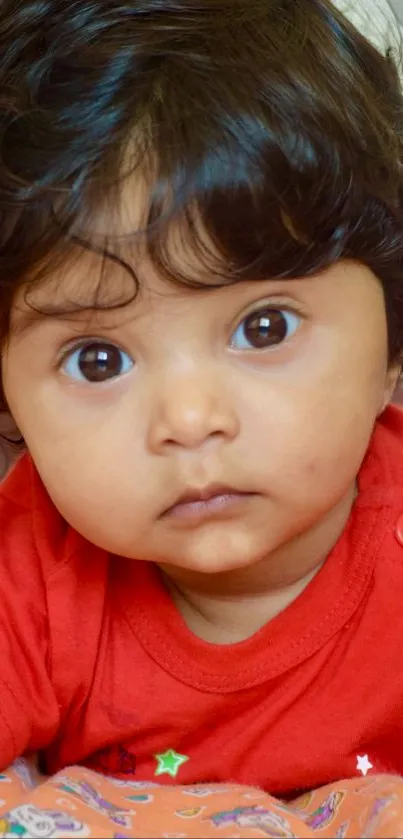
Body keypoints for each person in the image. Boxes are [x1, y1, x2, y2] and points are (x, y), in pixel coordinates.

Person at [1, 0, 403, 808]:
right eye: (98, 358)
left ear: (392, 350)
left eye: (264, 326)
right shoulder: (35, 568)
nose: (189, 420)